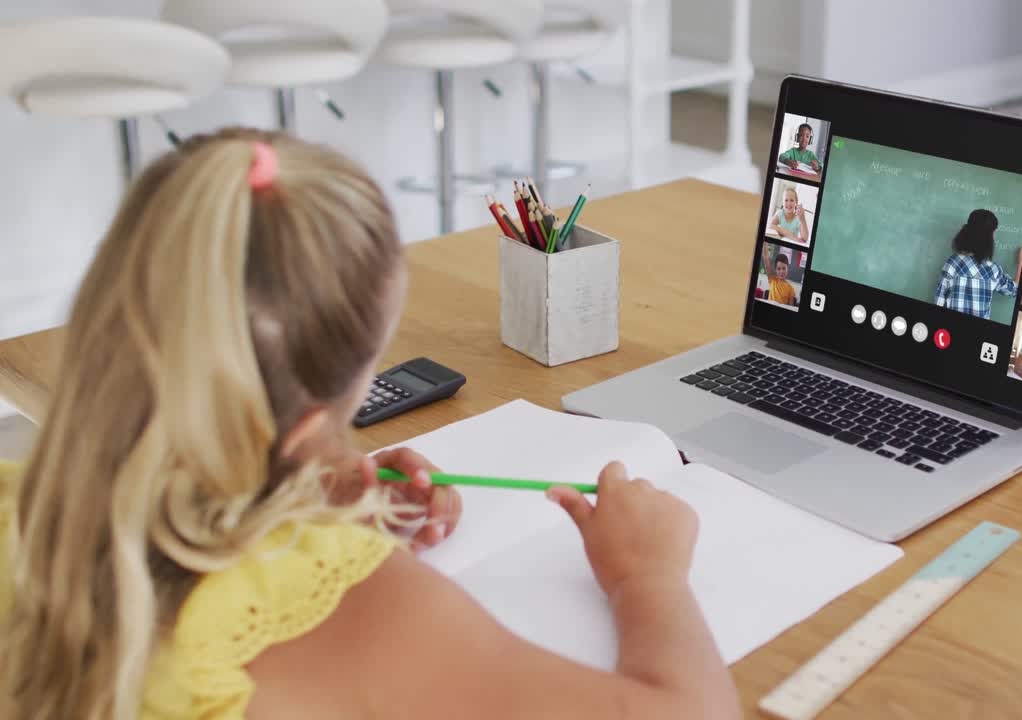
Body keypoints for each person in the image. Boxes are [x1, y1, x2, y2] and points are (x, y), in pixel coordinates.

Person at [0, 129, 740, 720]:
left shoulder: (18, 509)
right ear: (308, 425)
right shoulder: (349, 611)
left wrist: (290, 505)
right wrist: (647, 575)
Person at [934, 209, 1022, 320]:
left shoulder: (952, 263)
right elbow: (1015, 290)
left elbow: (939, 301)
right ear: (989, 238)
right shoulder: (993, 270)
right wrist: (1021, 263)